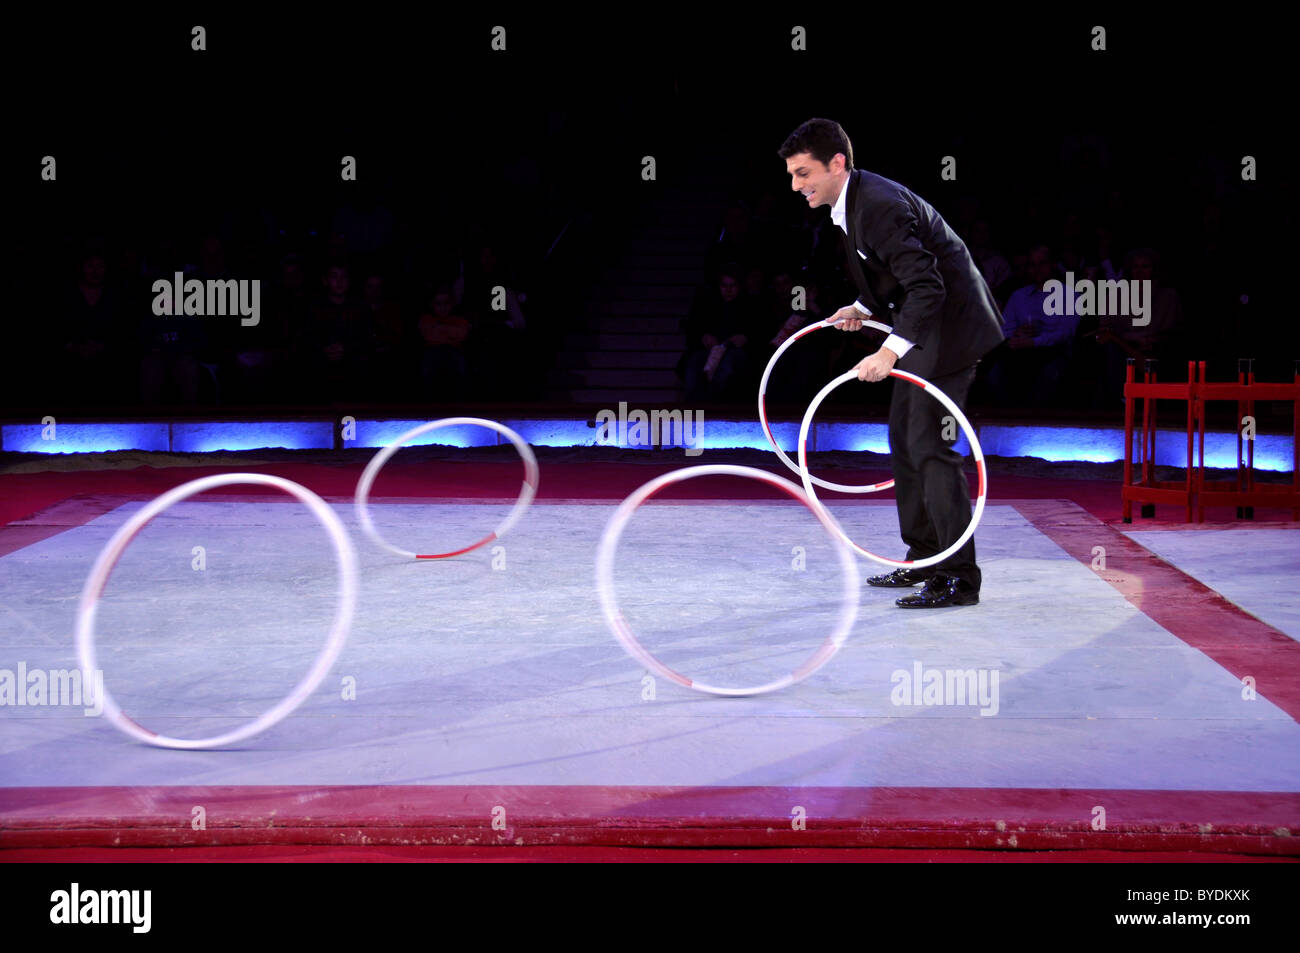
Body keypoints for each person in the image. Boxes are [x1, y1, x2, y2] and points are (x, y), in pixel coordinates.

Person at [779, 119, 1004, 608]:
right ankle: (923, 558)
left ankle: (958, 579)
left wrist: (887, 351)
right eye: (792, 175)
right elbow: (889, 273)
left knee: (931, 449)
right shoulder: (852, 201)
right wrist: (861, 308)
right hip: (927, 329)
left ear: (837, 163)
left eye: (803, 173)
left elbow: (928, 286)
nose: (795, 185)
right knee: (904, 440)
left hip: (952, 331)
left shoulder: (877, 204)